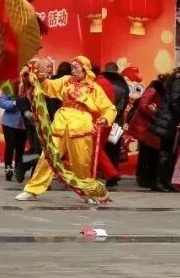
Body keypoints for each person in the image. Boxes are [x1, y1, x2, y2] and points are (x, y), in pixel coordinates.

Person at [16, 56, 116, 202]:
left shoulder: (94, 88)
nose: (73, 69)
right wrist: (41, 79)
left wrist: (106, 118)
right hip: (61, 123)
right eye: (72, 66)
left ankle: (86, 193)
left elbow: (110, 108)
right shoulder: (65, 80)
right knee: (47, 157)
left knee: (81, 163)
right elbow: (49, 86)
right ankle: (32, 189)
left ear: (85, 69)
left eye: (76, 67)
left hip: (81, 126)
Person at [126, 74, 165, 190]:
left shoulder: (156, 90)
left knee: (146, 152)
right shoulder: (153, 90)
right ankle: (143, 178)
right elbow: (143, 106)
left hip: (147, 125)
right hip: (144, 126)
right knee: (146, 152)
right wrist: (155, 114)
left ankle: (144, 177)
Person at [148, 67, 180, 192]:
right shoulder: (178, 80)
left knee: (167, 151)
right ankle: (160, 181)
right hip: (168, 120)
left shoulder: (176, 79)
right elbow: (175, 101)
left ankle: (164, 181)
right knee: (165, 151)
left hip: (169, 119)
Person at [0, 79, 26, 182]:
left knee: (20, 148)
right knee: (10, 146)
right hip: (9, 123)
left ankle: (18, 170)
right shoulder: (9, 85)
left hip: (25, 123)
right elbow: (1, 102)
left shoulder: (31, 86)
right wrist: (14, 103)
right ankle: (8, 170)